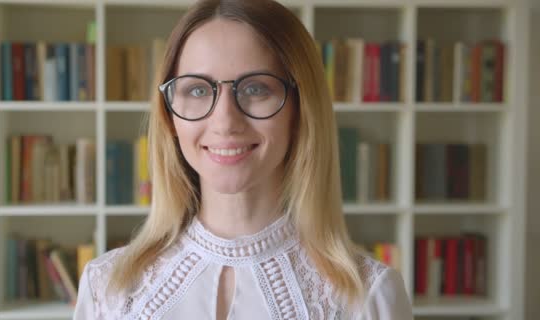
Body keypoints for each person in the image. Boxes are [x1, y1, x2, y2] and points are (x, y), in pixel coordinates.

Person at [74, 0, 413, 319]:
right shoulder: (108, 289)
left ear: (301, 111)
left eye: (255, 89)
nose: (225, 122)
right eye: (197, 90)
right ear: (169, 117)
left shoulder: (369, 297)